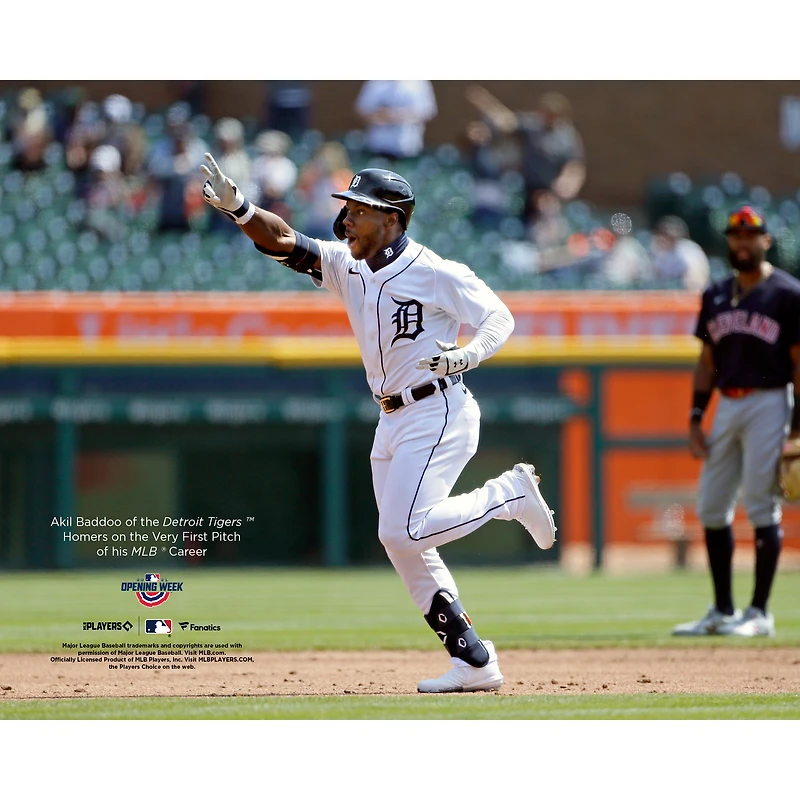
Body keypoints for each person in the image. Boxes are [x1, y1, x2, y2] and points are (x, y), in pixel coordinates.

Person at [199, 154, 557, 692]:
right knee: (402, 543)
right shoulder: (350, 265)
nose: (347, 219)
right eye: (347, 207)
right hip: (391, 419)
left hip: (438, 408)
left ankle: (508, 495)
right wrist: (241, 209)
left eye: (360, 210)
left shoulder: (433, 270)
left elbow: (499, 317)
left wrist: (467, 354)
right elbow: (286, 242)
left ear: (392, 219)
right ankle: (474, 662)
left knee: (404, 528)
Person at [674, 205, 800, 638]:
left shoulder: (787, 293)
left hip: (770, 401)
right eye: (735, 235)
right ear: (728, 241)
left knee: (762, 504)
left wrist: (797, 427)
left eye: (751, 235)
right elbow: (707, 361)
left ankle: (759, 613)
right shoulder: (714, 294)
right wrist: (695, 416)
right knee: (711, 506)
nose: (742, 242)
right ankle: (723, 611)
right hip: (726, 402)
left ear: (766, 240)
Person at [465, 86, 585, 227]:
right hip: (528, 187)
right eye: (546, 112)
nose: (548, 116)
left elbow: (574, 166)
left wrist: (568, 183)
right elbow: (506, 122)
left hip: (550, 191)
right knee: (521, 225)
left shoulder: (567, 137)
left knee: (548, 225)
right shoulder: (533, 125)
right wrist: (486, 102)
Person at [355, 80, 438, 161]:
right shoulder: (375, 83)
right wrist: (382, 116)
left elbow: (427, 111)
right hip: (378, 147)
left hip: (408, 148)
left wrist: (398, 115)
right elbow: (362, 110)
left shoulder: (419, 83)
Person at [650, 215, 710, 292]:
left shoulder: (688, 249)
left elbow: (696, 278)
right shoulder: (660, 253)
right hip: (668, 295)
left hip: (690, 294)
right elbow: (656, 278)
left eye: (668, 234)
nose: (665, 237)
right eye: (663, 233)